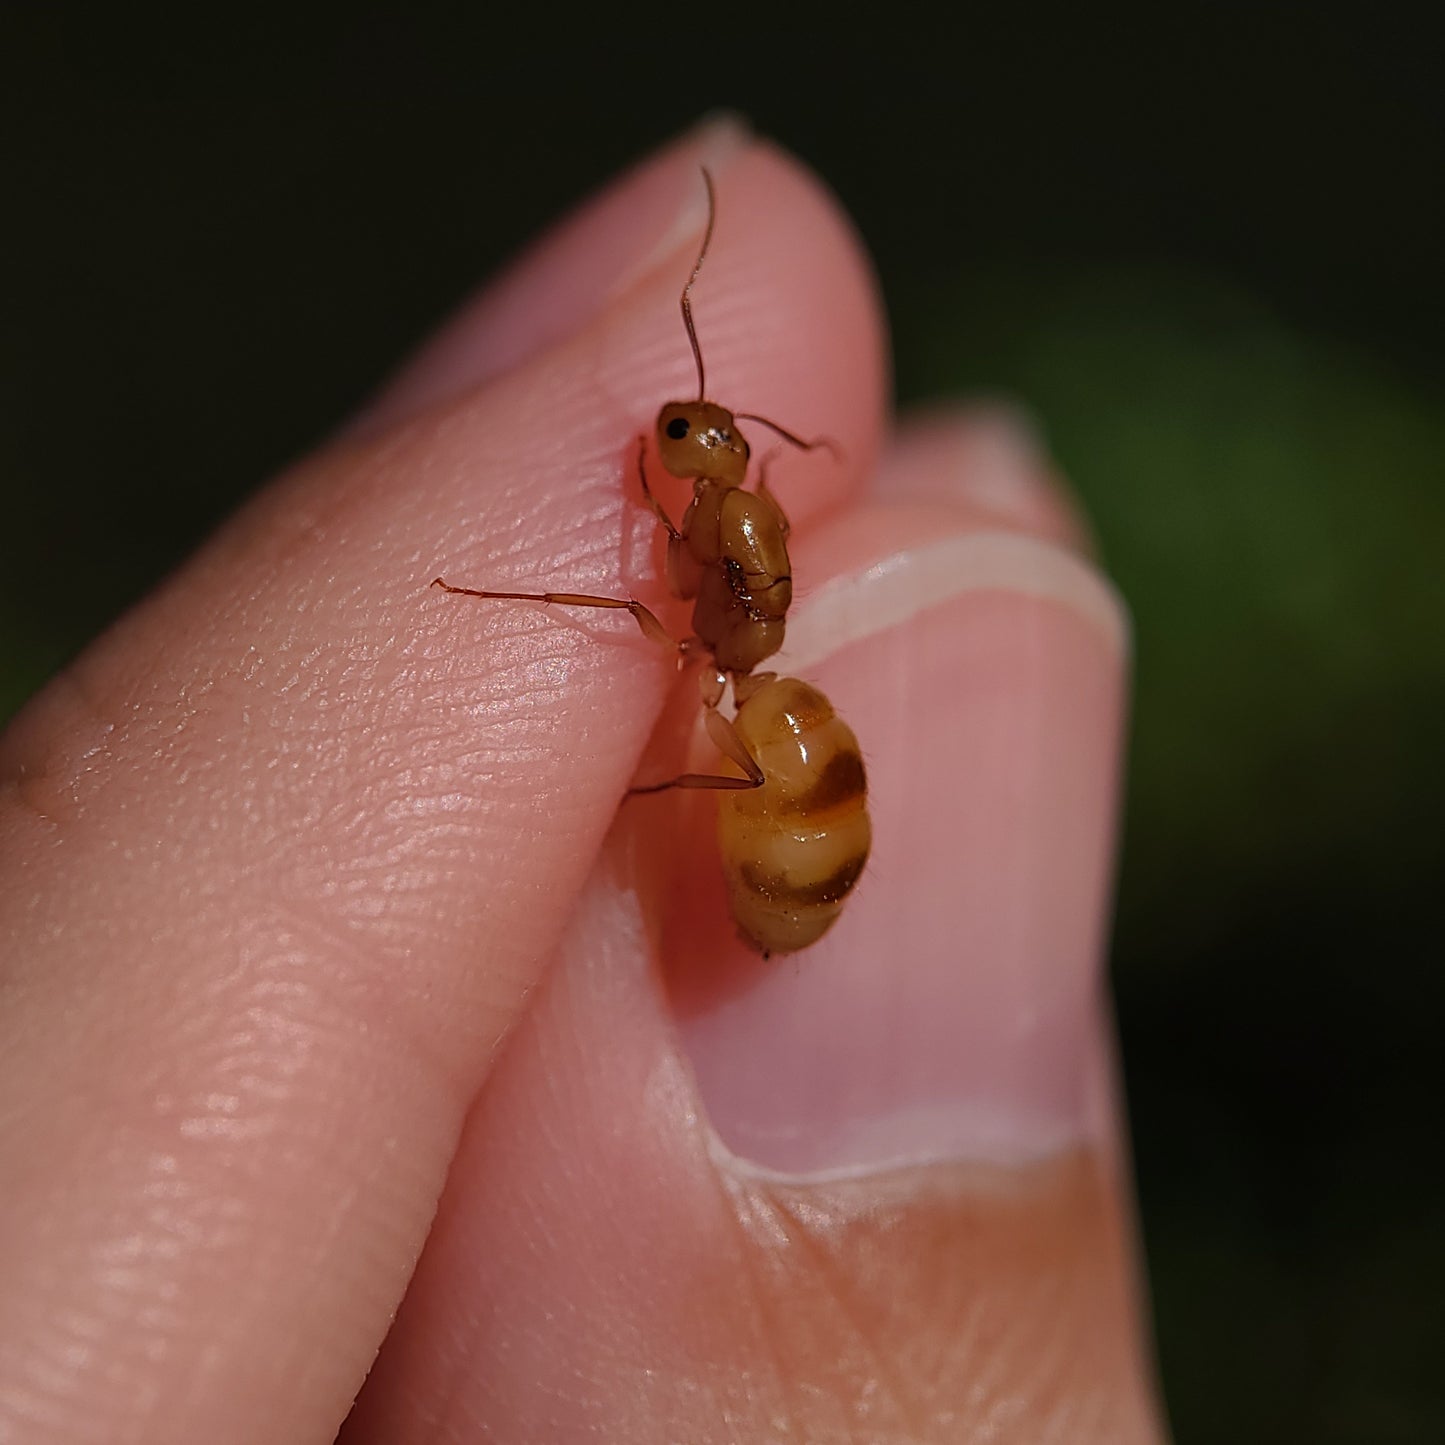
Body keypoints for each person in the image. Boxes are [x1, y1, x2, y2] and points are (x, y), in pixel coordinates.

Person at [0, 118, 1166, 1442]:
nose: (673, 452)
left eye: (687, 440)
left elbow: (688, 604)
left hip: (771, 781)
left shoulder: (721, 575)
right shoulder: (733, 540)